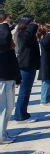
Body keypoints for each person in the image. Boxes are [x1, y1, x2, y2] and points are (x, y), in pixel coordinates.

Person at [14, 15, 40, 123]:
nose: (35, 24)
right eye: (33, 22)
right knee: (24, 92)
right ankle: (20, 116)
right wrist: (32, 27)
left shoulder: (29, 33)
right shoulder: (22, 34)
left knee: (27, 91)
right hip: (25, 66)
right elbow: (26, 41)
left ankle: (22, 113)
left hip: (31, 65)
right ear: (27, 23)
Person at [1, 10, 22, 143]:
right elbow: (3, 42)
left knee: (8, 107)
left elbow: (12, 58)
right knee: (5, 107)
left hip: (8, 76)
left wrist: (17, 77)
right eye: (6, 21)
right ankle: (1, 135)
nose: (9, 25)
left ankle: (3, 132)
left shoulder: (6, 38)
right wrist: (3, 26)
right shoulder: (3, 36)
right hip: (3, 77)